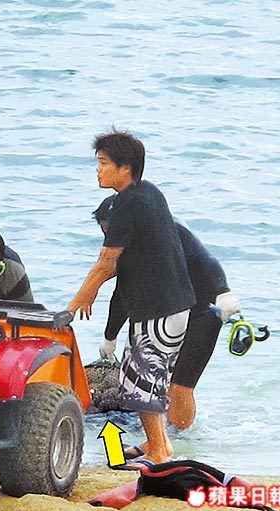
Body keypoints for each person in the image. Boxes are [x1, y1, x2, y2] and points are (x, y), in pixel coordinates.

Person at [67, 129, 196, 465]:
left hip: (159, 310)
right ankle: (159, 445)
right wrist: (91, 292)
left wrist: (74, 304)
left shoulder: (127, 203)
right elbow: (121, 263)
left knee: (140, 382)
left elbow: (107, 262)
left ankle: (158, 453)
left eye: (103, 163)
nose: (98, 170)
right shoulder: (149, 193)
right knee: (147, 379)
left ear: (125, 169)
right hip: (173, 305)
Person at [92, 195, 240, 455]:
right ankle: (158, 442)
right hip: (169, 313)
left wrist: (223, 291)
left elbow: (205, 260)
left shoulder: (168, 228)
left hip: (203, 312)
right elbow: (122, 294)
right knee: (151, 380)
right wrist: (109, 337)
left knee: (180, 386)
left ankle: (181, 445)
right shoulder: (127, 247)